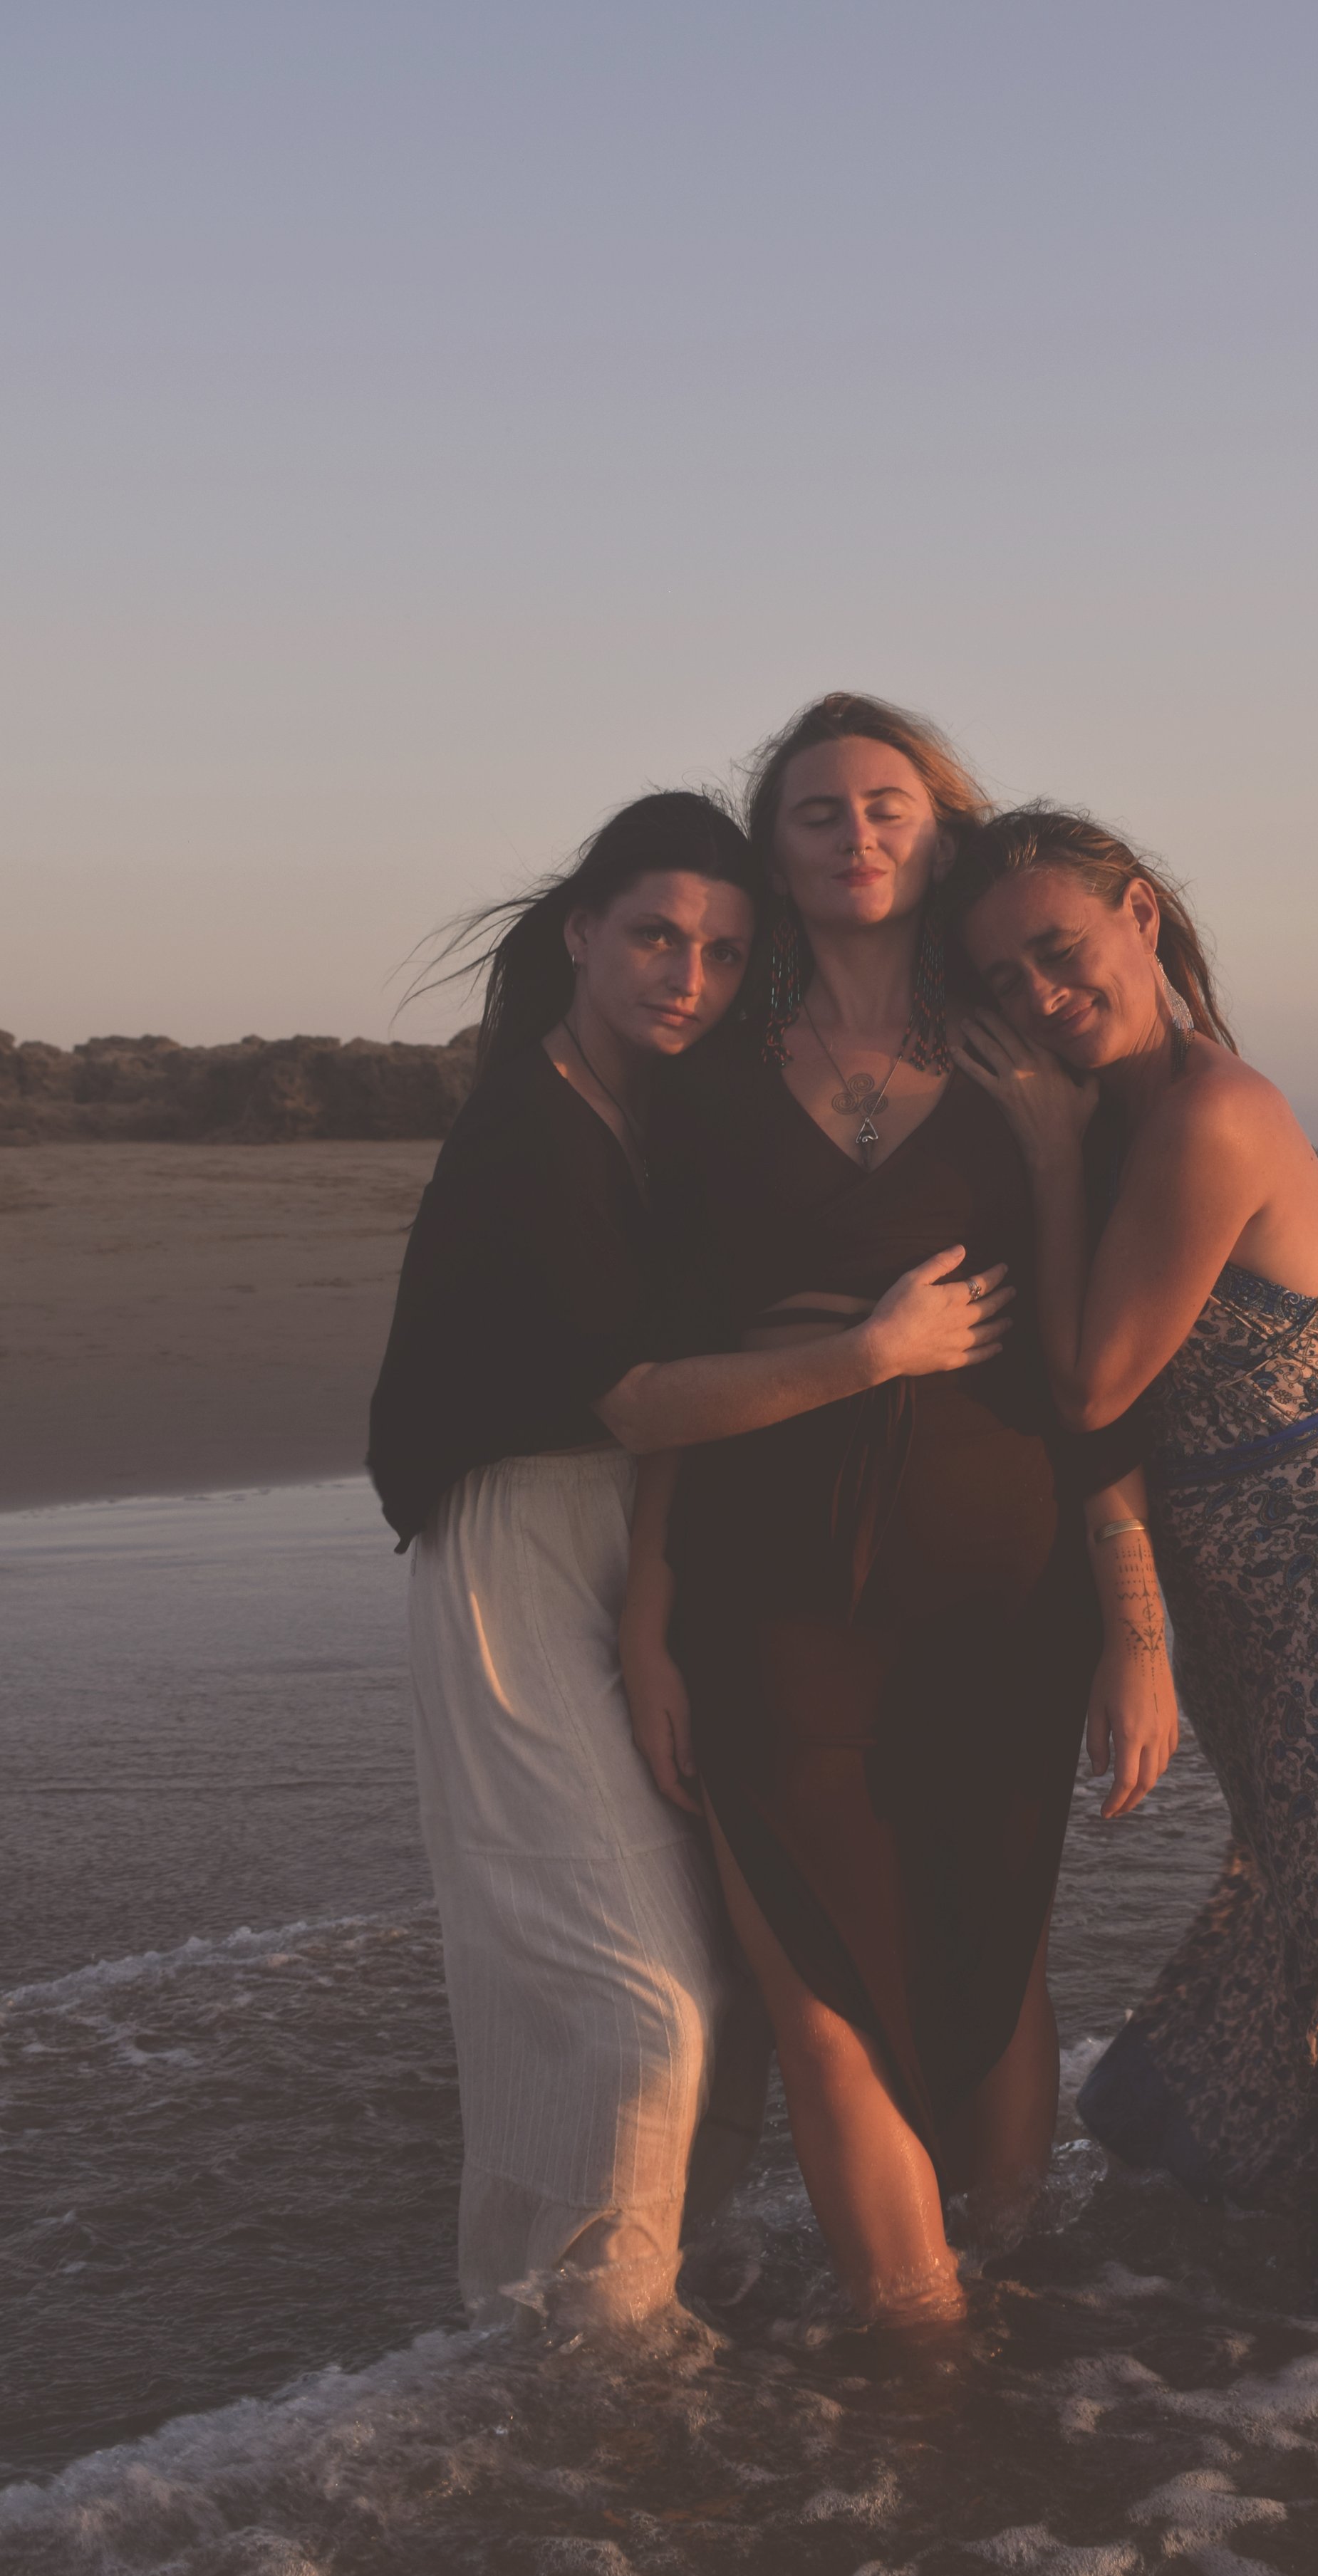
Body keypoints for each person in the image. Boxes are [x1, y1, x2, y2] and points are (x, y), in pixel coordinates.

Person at [368, 790, 1014, 2331]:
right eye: (656, 936)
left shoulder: (656, 1110)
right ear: (580, 931)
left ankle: (634, 2300)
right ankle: (578, 2366)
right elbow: (642, 1392)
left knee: (715, 1973)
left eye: (725, 954)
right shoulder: (529, 1129)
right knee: (632, 2003)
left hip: (649, 1526)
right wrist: (876, 1355)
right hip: (519, 1545)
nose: (687, 975)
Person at [621, 702, 1173, 2330]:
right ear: (772, 854)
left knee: (992, 1974)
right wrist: (645, 1612)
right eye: (815, 814)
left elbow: (1092, 1374)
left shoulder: (1033, 1069)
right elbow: (664, 1368)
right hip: (762, 1583)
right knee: (817, 2000)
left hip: (1000, 1587)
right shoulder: (706, 1086)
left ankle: (1020, 2341)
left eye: (888, 807)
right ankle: (922, 2379)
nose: (856, 836)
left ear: (938, 835)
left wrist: (1136, 1627)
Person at [948, 807, 1318, 2312]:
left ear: (1138, 913)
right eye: (1002, 982)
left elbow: (1087, 1386)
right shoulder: (1126, 1112)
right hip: (1257, 1627)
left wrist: (1054, 1167)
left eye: (1058, 953)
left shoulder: (1199, 1114)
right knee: (1317, 1950)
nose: (1040, 997)